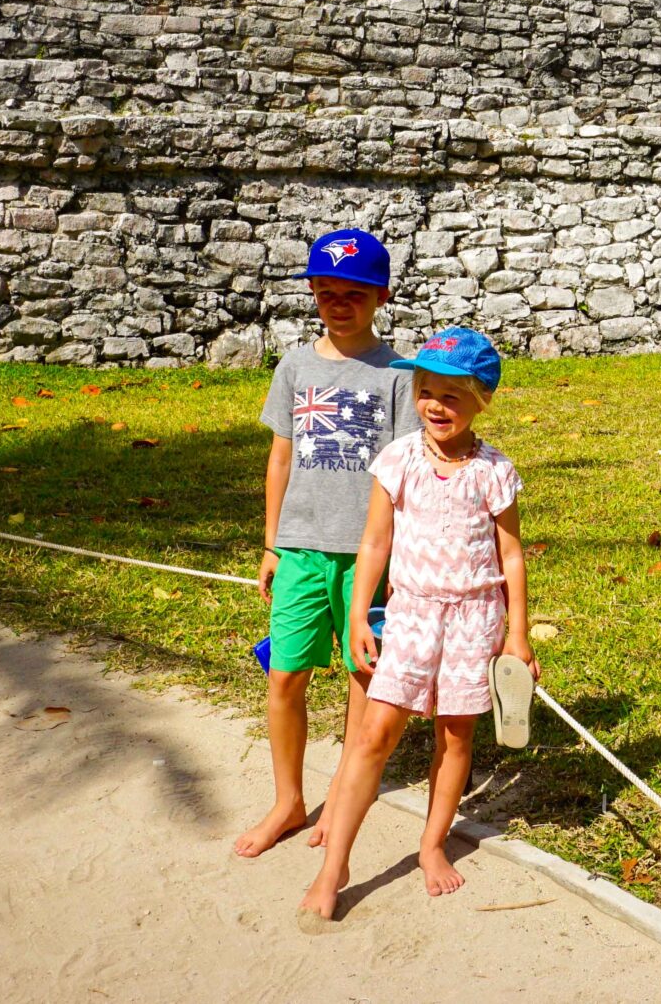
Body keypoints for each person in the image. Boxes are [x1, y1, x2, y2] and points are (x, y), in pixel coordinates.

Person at [298, 327, 536, 927]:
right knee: (375, 733)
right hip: (409, 613)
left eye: (451, 395)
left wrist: (518, 634)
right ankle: (334, 868)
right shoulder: (398, 458)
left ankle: (433, 843)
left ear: (481, 398)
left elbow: (511, 557)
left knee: (456, 736)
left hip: (474, 620)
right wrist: (358, 613)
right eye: (426, 390)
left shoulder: (495, 471)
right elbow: (375, 540)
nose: (435, 405)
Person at [234, 228, 419, 859]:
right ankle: (287, 801)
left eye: (354, 294)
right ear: (313, 293)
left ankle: (344, 793)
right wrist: (271, 543)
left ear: (381, 297)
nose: (339, 304)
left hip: (369, 555)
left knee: (361, 677)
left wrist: (400, 559)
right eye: (326, 292)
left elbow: (406, 473)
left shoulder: (399, 375)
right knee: (284, 675)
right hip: (301, 549)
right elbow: (280, 458)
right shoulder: (294, 366)